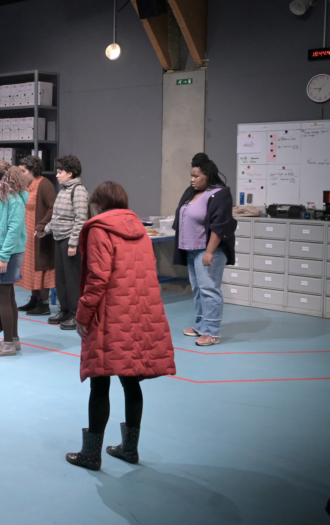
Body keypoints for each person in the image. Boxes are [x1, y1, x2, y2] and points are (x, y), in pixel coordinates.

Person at [66, 181, 176, 471]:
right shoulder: (139, 229)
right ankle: (129, 449)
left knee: (100, 382)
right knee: (131, 380)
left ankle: (91, 454)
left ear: (99, 204)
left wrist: (83, 314)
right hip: (138, 313)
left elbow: (97, 278)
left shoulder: (99, 230)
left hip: (108, 314)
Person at [171, 153, 237, 347]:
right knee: (198, 289)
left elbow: (220, 225)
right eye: (191, 176)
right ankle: (201, 325)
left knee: (209, 290)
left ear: (208, 176)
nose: (192, 180)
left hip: (208, 250)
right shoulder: (191, 192)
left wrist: (209, 252)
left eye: (196, 176)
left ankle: (212, 332)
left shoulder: (220, 194)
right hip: (191, 249)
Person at [0, 162, 28, 357]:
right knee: (8, 297)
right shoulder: (0, 196)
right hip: (1, 251)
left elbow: (14, 229)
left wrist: (4, 256)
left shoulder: (13, 199)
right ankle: (13, 339)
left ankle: (8, 344)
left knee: (2, 298)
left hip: (7, 253)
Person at [44, 155, 89, 330]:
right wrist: (45, 230)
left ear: (70, 173)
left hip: (70, 242)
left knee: (72, 279)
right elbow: (57, 217)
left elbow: (81, 219)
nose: (57, 175)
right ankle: (65, 310)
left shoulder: (78, 191)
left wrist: (73, 243)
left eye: (60, 172)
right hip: (59, 238)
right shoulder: (63, 190)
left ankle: (76, 314)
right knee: (61, 278)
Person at [16, 155, 56, 316]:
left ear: (32, 170)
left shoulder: (44, 184)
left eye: (23, 171)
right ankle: (34, 299)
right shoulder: (26, 186)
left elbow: (53, 207)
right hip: (27, 235)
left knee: (41, 266)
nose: (21, 174)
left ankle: (44, 303)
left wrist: (42, 225)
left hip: (39, 235)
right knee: (30, 267)